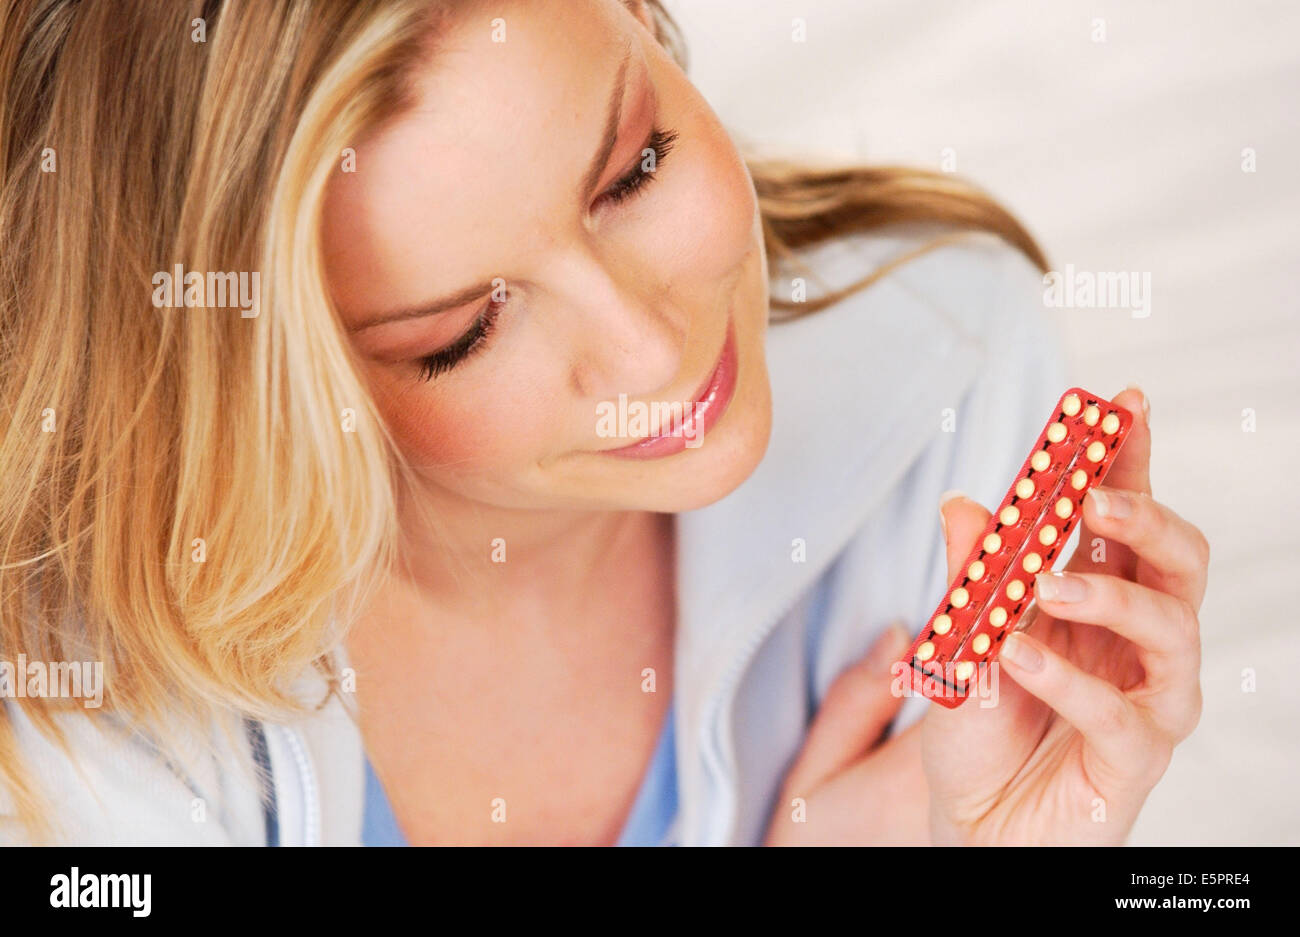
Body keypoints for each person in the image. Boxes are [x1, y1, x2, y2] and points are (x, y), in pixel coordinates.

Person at [0, 0, 1207, 846]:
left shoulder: (948, 362)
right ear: (268, 387)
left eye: (633, 170)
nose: (650, 350)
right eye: (461, 332)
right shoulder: (74, 697)